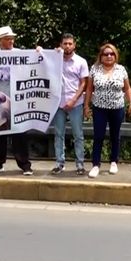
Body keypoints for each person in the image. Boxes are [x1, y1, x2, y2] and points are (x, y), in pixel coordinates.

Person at [84, 43, 131, 178]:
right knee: (98, 136)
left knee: (115, 136)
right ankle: (96, 164)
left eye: (111, 54)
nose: (108, 56)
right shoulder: (94, 69)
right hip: (99, 108)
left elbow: (127, 88)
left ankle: (113, 161)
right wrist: (86, 105)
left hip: (117, 107)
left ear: (115, 56)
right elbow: (89, 89)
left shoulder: (121, 69)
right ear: (101, 56)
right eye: (106, 54)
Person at [0, 25, 33, 176]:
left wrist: (41, 52)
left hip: (18, 99)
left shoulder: (20, 53)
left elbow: (37, 60)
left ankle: (25, 165)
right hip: (0, 100)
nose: (11, 41)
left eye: (12, 38)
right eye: (8, 38)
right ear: (0, 40)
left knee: (20, 133)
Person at [50, 33, 89, 176]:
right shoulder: (55, 59)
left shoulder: (81, 61)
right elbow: (40, 60)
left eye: (70, 43)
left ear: (74, 45)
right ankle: (59, 163)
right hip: (58, 103)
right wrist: (40, 51)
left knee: (78, 135)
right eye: (65, 43)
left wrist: (74, 100)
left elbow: (84, 83)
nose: (67, 46)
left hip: (75, 103)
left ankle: (80, 164)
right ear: (61, 44)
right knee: (58, 134)